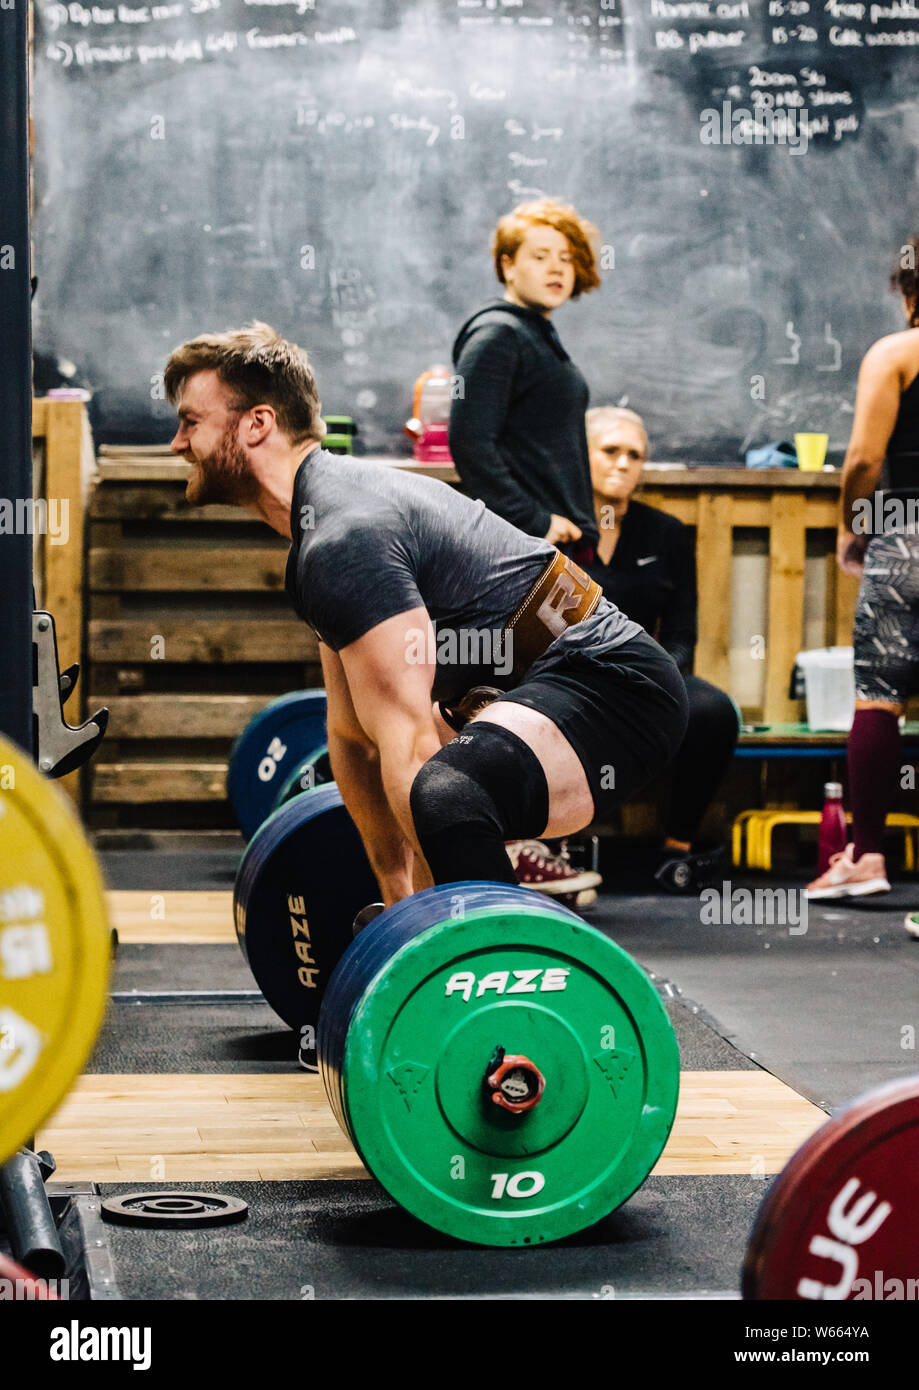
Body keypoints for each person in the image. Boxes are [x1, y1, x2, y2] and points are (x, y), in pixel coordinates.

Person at [164, 323, 688, 910]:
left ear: (257, 423)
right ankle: (469, 929)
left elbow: (411, 751)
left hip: (614, 687)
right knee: (432, 781)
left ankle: (497, 966)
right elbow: (352, 740)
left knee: (446, 791)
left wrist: (425, 920)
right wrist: (395, 896)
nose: (178, 444)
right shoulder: (319, 541)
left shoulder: (346, 534)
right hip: (527, 688)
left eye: (191, 421)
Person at [582, 406, 740, 891]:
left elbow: (681, 632)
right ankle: (548, 847)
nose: (623, 463)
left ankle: (678, 850)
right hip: (568, 675)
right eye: (610, 451)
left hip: (644, 674)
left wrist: (657, 674)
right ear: (580, 456)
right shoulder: (558, 528)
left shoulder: (665, 533)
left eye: (635, 455)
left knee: (713, 711)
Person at [807, 239, 919, 905]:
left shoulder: (897, 352)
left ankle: (866, 854)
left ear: (908, 295)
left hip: (906, 537)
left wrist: (854, 523)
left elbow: (860, 462)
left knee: (879, 695)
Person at [448, 198, 600, 563]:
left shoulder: (536, 334)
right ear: (508, 265)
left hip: (552, 546)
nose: (557, 268)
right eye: (540, 256)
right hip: (524, 548)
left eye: (565, 258)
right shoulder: (499, 335)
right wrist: (533, 520)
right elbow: (469, 441)